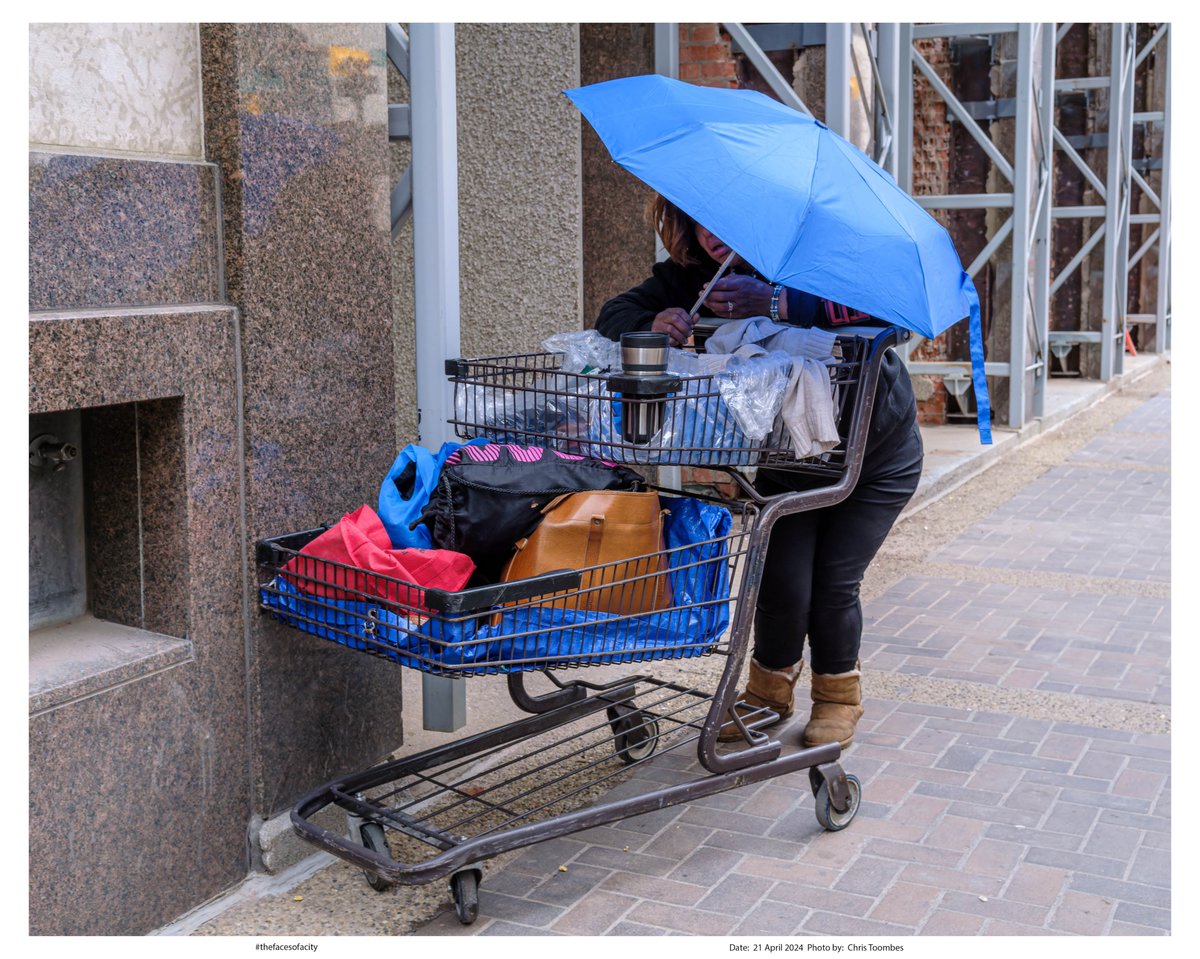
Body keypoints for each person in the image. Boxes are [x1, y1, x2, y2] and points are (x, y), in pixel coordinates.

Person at [595, 196, 924, 749]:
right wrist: (655, 320)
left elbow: (891, 316)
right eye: (702, 220)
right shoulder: (694, 279)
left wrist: (776, 301)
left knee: (833, 586)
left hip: (876, 455)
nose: (714, 234)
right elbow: (612, 314)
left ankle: (838, 698)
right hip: (789, 458)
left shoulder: (815, 263)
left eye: (730, 218)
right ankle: (767, 695)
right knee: (781, 581)